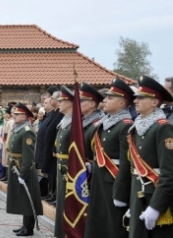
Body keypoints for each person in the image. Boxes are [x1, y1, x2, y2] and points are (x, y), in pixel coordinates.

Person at [115, 76, 173, 238]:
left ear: (155, 102)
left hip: (155, 197)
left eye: (141, 98)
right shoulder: (136, 128)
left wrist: (156, 207)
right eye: (136, 97)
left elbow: (168, 173)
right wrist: (131, 202)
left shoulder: (162, 128)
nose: (135, 101)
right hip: (137, 196)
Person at [85, 77, 134, 238]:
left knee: (113, 223)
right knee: (98, 220)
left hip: (113, 181)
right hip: (100, 178)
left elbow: (126, 162)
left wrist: (120, 190)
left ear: (121, 103)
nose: (104, 100)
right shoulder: (105, 123)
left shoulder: (125, 125)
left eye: (110, 98)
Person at [7, 103, 43, 237]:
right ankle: (25, 225)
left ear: (24, 116)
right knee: (23, 197)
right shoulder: (19, 128)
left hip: (24, 168)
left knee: (28, 199)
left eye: (16, 114)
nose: (14, 116)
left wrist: (23, 173)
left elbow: (28, 156)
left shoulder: (27, 130)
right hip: (16, 166)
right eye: (14, 114)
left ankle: (29, 228)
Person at [54, 86, 75, 238]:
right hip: (61, 166)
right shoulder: (65, 121)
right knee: (61, 202)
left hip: (70, 168)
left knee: (68, 204)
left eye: (61, 101)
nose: (58, 103)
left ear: (68, 103)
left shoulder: (75, 122)